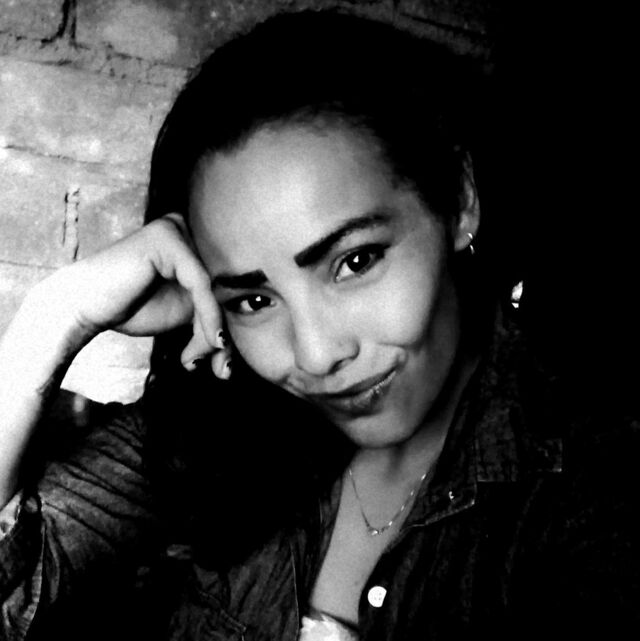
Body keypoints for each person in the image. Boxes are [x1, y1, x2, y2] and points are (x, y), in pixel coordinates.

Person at [0, 9, 638, 641]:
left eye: (355, 262)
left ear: (459, 200)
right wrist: (55, 316)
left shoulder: (590, 488)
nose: (315, 354)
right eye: (254, 300)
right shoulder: (215, 429)